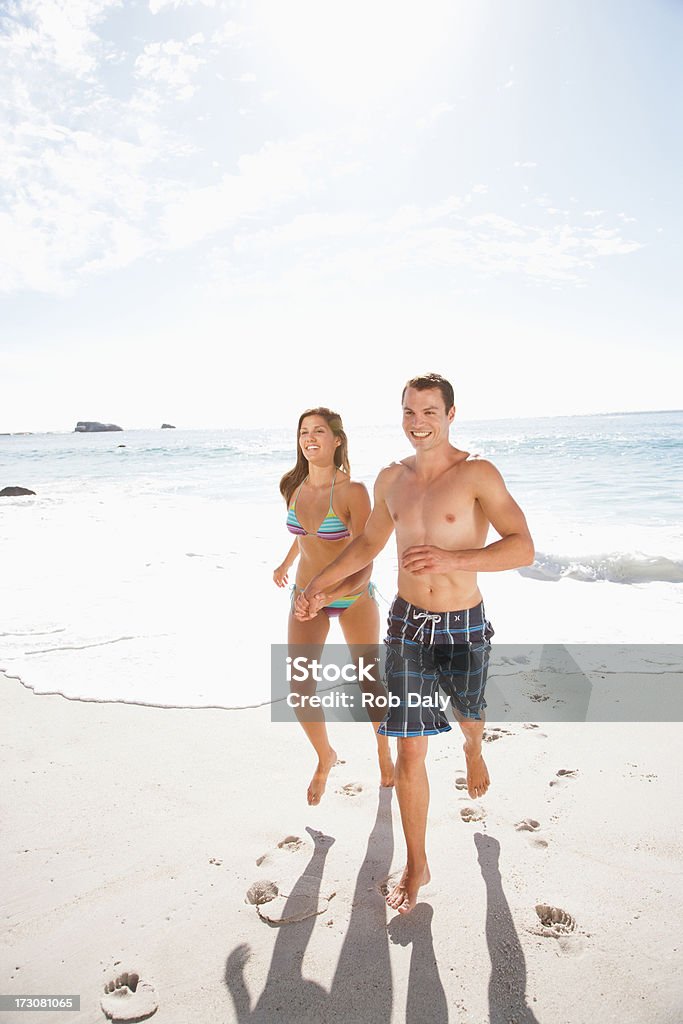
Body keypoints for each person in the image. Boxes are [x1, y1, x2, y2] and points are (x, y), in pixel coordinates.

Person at [296, 374, 534, 914]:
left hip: (463, 626)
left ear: (451, 414)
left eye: (429, 410)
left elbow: (523, 548)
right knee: (410, 748)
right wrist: (316, 587)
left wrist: (456, 559)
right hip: (407, 627)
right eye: (409, 411)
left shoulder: (476, 473)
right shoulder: (390, 480)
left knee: (469, 717)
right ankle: (418, 862)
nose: (417, 421)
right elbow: (368, 545)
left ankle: (474, 747)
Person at [274, 407, 395, 805]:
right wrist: (287, 563)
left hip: (351, 594)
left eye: (319, 431)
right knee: (299, 687)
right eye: (304, 432)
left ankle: (383, 748)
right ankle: (325, 755)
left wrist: (329, 593)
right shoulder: (293, 487)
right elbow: (306, 534)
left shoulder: (353, 492)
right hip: (304, 596)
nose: (309, 438)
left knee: (368, 679)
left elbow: (366, 556)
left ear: (337, 439)